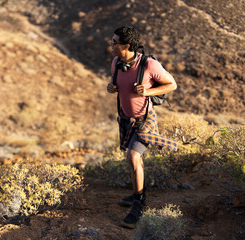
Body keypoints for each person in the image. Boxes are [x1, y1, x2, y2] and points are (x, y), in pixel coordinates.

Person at [107, 26, 178, 228]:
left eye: (114, 42)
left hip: (145, 120)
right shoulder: (116, 63)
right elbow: (118, 86)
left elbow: (172, 84)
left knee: (133, 156)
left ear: (126, 46)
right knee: (132, 160)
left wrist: (148, 92)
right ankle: (138, 193)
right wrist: (111, 87)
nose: (111, 45)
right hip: (126, 120)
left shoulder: (148, 64)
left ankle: (139, 205)